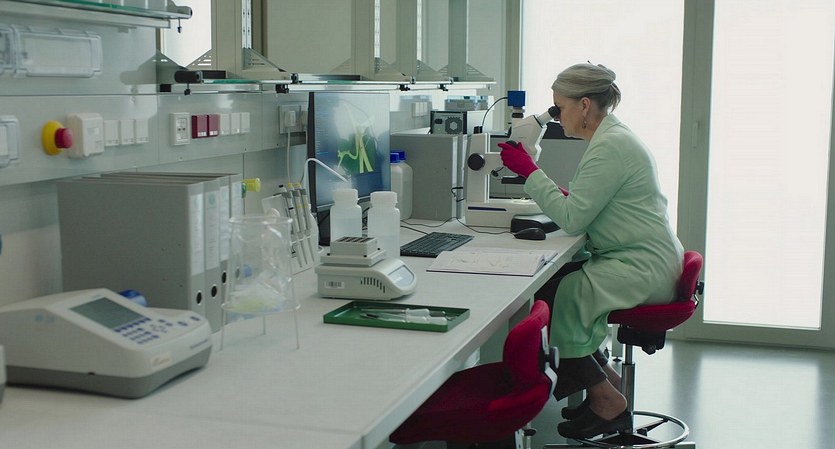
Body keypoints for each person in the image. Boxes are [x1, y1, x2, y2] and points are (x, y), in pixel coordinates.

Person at [498, 63, 684, 439]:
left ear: (584, 105)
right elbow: (593, 203)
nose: (556, 116)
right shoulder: (612, 138)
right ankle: (606, 385)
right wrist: (564, 193)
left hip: (642, 266)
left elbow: (572, 219)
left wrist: (530, 172)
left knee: (561, 296)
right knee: (554, 286)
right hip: (644, 257)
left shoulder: (609, 147)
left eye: (560, 107)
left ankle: (607, 401)